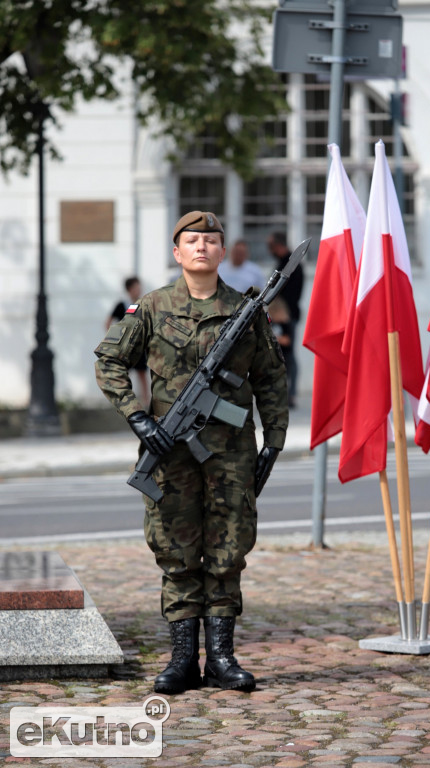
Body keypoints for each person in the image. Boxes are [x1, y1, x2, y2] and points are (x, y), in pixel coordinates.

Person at [94, 211, 288, 695]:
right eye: (191, 240)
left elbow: (270, 378)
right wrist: (138, 417)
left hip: (232, 453)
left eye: (211, 239)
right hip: (170, 452)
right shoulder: (153, 308)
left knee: (228, 549)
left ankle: (221, 658)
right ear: (177, 253)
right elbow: (109, 361)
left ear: (223, 252)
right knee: (176, 553)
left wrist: (275, 440)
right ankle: (182, 659)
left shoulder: (247, 312)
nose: (202, 246)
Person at [267, 232, 304, 408]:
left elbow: (290, 293)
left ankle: (291, 394)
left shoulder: (292, 264)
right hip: (278, 315)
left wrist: (281, 312)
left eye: (272, 247)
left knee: (288, 356)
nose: (270, 251)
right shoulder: (284, 263)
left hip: (286, 316)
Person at [106, 276, 150, 406]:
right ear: (129, 289)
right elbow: (108, 323)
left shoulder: (142, 304)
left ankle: (146, 401)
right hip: (125, 348)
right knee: (122, 375)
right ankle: (123, 401)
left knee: (142, 374)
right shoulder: (123, 305)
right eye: (136, 287)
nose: (139, 290)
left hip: (139, 347)